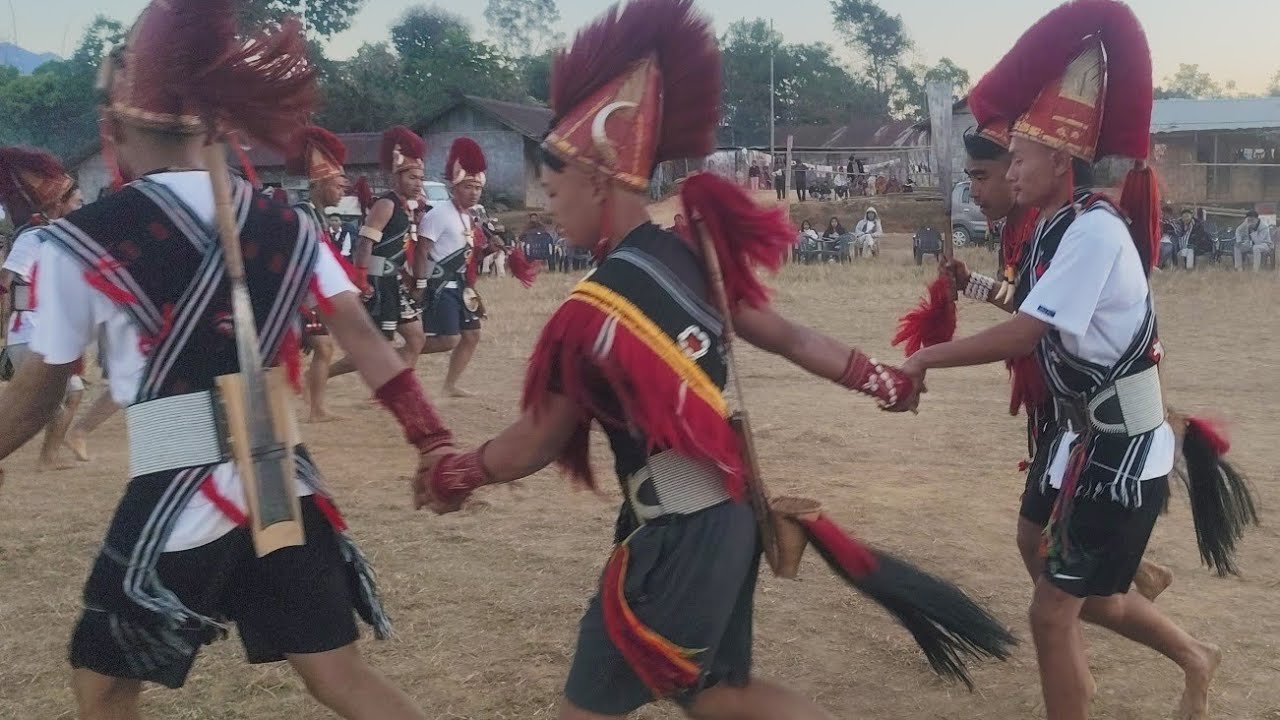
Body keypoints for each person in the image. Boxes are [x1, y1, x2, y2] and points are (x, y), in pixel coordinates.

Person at [414, 5, 1017, 719]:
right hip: (723, 521)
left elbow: (535, 443)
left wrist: (457, 468)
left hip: (679, 535)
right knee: (724, 697)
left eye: (553, 190)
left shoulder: (594, 311)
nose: (548, 208)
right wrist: (879, 378)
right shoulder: (688, 258)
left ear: (599, 178)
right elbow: (790, 335)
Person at [0, 1, 458, 717]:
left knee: (104, 686)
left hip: (184, 489)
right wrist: (431, 438)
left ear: (112, 127)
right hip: (279, 473)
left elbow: (32, 398)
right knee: (339, 675)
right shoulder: (287, 220)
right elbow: (366, 340)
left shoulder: (82, 241)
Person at [902, 3, 1239, 718]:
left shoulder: (1092, 232)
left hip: (1116, 449)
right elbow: (1032, 307)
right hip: (1079, 438)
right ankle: (1179, 654)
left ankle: (1092, 684)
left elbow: (1027, 333)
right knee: (1039, 553)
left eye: (1017, 156)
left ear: (1058, 161)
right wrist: (974, 288)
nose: (1007, 168)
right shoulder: (1058, 230)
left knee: (1051, 614)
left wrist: (926, 356)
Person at [0, 146, 86, 471]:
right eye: (75, 202)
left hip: (40, 333)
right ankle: (46, 459)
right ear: (58, 203)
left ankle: (47, 458)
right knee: (51, 403)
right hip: (30, 334)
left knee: (71, 395)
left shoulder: (55, 236)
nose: (79, 207)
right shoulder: (34, 237)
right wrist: (14, 317)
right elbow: (9, 279)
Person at [329, 126, 428, 380]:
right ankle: (321, 375)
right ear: (396, 177)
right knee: (371, 349)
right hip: (377, 282)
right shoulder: (386, 204)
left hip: (393, 281)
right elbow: (364, 243)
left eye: (420, 178)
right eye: (412, 178)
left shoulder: (408, 207)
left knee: (416, 338)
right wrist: (361, 280)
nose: (418, 184)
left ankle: (401, 388)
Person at [415, 137, 487, 397]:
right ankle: (399, 353)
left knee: (472, 336)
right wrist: (420, 284)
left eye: (477, 187)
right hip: (441, 285)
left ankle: (449, 386)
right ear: (455, 187)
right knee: (448, 340)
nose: (474, 192)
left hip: (462, 287)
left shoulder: (470, 216)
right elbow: (421, 250)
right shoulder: (438, 214)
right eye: (468, 187)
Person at [287, 126, 349, 422]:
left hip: (310, 297)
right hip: (298, 298)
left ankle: (316, 408)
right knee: (322, 348)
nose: (342, 190)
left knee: (323, 349)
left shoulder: (318, 216)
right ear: (321, 182)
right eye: (338, 185)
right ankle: (314, 409)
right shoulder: (301, 215)